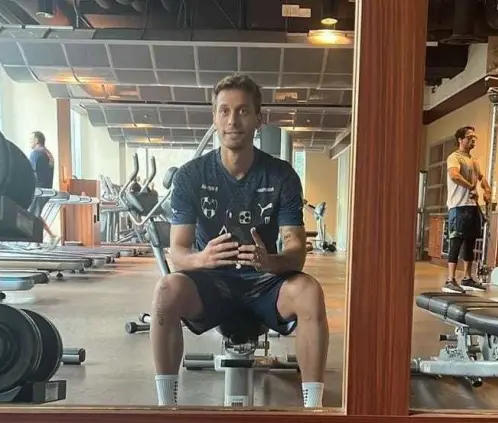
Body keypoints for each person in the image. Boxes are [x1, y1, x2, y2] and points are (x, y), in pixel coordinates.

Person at [150, 74, 329, 408]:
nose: (233, 120)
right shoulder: (191, 176)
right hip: (211, 285)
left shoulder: (281, 175)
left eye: (243, 111)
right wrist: (202, 259)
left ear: (258, 119)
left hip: (265, 284)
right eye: (225, 111)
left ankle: (313, 408)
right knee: (165, 290)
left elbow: (296, 253)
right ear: (215, 117)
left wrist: (270, 262)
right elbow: (178, 252)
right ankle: (166, 407)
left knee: (309, 292)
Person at [442, 126, 491, 294]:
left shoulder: (474, 161)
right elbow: (454, 175)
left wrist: (487, 190)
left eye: (474, 137)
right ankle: (450, 280)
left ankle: (467, 278)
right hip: (458, 206)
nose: (473, 139)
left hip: (471, 207)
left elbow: (481, 178)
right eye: (469, 137)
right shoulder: (454, 157)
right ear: (460, 140)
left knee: (470, 242)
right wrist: (470, 186)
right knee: (456, 242)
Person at [27, 131, 59, 248]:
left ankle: (35, 241)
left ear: (37, 140)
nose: (30, 142)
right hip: (46, 189)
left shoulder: (35, 153)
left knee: (32, 214)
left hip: (38, 190)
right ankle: (51, 236)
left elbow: (30, 172)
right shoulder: (48, 153)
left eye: (31, 139)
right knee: (35, 213)